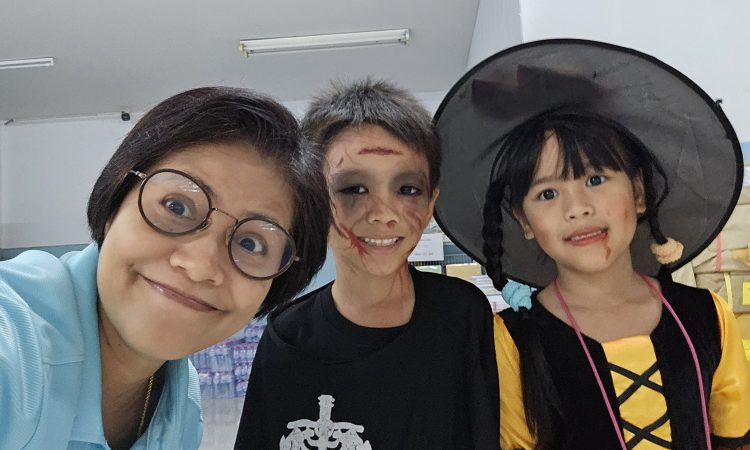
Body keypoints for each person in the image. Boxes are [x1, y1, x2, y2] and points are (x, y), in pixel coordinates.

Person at [433, 39, 750, 449]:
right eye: (547, 193)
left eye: (595, 179)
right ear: (524, 221)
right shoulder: (513, 341)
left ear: (639, 192)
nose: (577, 208)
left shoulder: (707, 315)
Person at [0, 86, 330, 449]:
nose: (199, 266)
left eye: (251, 243)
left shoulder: (180, 411)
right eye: (177, 207)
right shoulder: (14, 343)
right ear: (115, 199)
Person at [234, 79, 500, 449]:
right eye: (354, 189)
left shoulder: (461, 313)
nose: (384, 214)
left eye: (407, 189)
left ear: (430, 205)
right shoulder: (289, 338)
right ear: (313, 201)